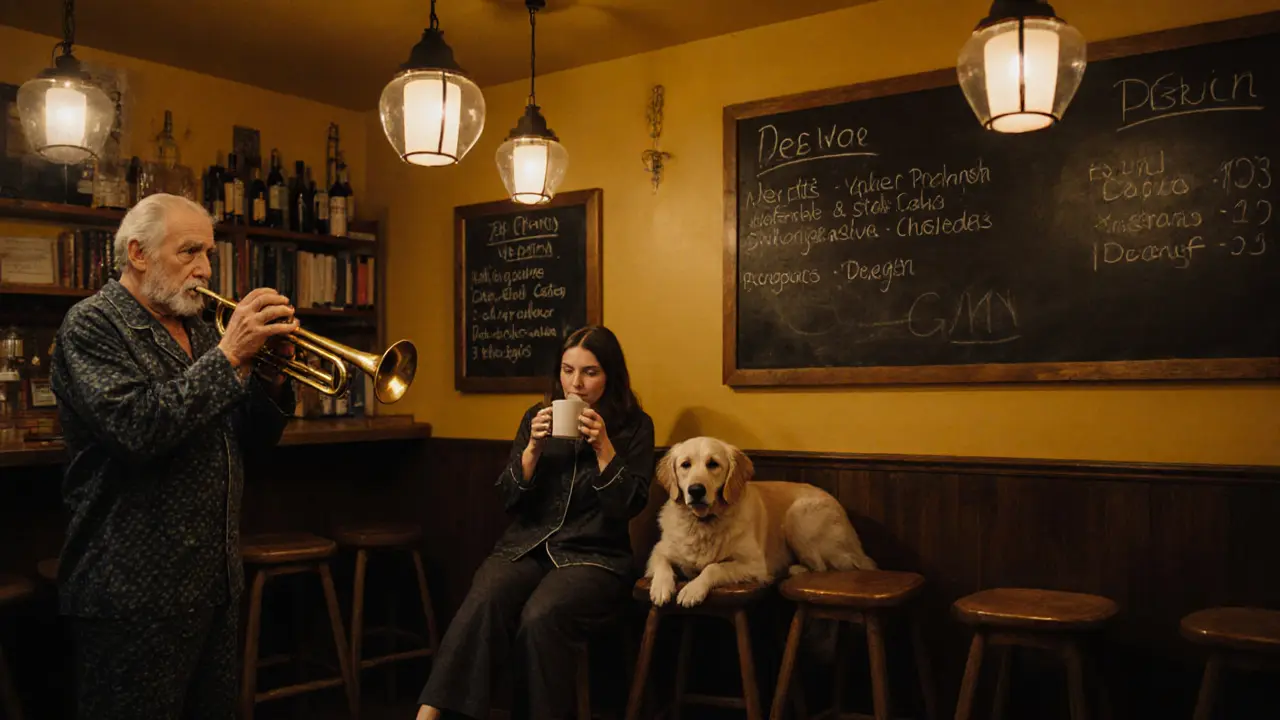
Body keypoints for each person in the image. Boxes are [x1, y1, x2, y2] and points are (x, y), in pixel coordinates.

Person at [48, 192, 299, 719]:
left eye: (208, 254)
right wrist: (231, 357)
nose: (205, 270)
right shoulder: (91, 325)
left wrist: (272, 376)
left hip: (213, 581)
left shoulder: (204, 327)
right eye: (189, 253)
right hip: (132, 592)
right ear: (138, 254)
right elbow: (136, 428)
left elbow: (250, 442)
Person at [417, 326, 655, 720]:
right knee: (485, 597)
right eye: (567, 370)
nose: (575, 383)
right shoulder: (536, 417)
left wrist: (604, 448)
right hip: (527, 546)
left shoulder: (634, 427)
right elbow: (509, 499)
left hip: (594, 556)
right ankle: (430, 713)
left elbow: (627, 507)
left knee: (540, 616)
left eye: (590, 372)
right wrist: (532, 450)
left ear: (610, 375)